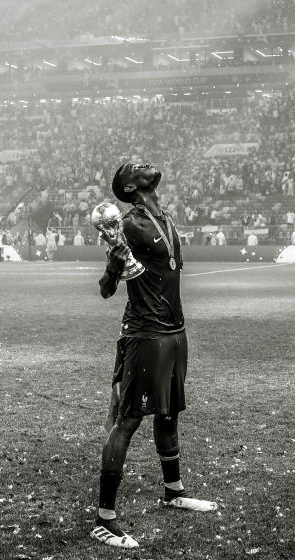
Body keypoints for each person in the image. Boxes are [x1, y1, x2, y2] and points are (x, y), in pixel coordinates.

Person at [90, 161, 216, 550]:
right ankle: (104, 519)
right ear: (129, 186)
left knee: (168, 412)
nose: (143, 164)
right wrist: (114, 267)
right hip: (145, 334)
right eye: (134, 167)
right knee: (128, 421)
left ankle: (174, 491)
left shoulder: (164, 217)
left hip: (175, 331)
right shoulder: (127, 224)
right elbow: (106, 289)